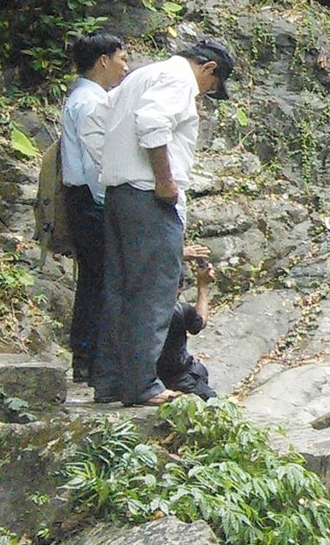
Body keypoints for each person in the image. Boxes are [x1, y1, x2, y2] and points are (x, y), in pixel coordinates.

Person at [82, 38, 234, 408]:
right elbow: (152, 122)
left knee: (119, 291)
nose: (205, 94)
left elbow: (92, 126)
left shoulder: (141, 75)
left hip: (119, 196)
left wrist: (116, 168)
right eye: (211, 88)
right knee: (154, 294)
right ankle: (142, 385)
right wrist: (163, 181)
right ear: (208, 69)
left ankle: (109, 382)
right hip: (150, 199)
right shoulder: (178, 78)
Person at [58, 31, 128, 385]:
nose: (125, 67)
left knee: (94, 277)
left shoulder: (84, 96)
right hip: (90, 198)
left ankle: (89, 356)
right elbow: (92, 160)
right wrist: (108, 202)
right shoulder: (89, 102)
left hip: (83, 197)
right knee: (98, 279)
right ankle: (88, 357)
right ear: (104, 60)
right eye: (122, 59)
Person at [156, 246, 218, 400]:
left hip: (144, 375)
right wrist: (203, 286)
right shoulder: (181, 312)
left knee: (200, 370)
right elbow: (199, 323)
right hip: (176, 377)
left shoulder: (136, 307)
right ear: (181, 286)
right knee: (213, 402)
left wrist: (178, 255)